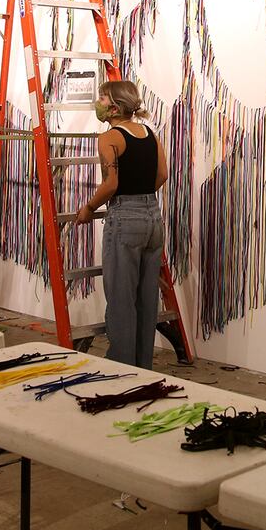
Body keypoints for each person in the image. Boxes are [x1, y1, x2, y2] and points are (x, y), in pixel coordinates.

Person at [75, 80, 168, 368]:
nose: (98, 102)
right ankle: (143, 368)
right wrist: (142, 198)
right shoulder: (149, 133)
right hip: (153, 217)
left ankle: (121, 367)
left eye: (102, 98)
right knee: (146, 298)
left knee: (121, 299)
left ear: (114, 106)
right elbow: (162, 175)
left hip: (125, 220)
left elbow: (111, 183)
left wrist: (88, 208)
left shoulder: (109, 137)